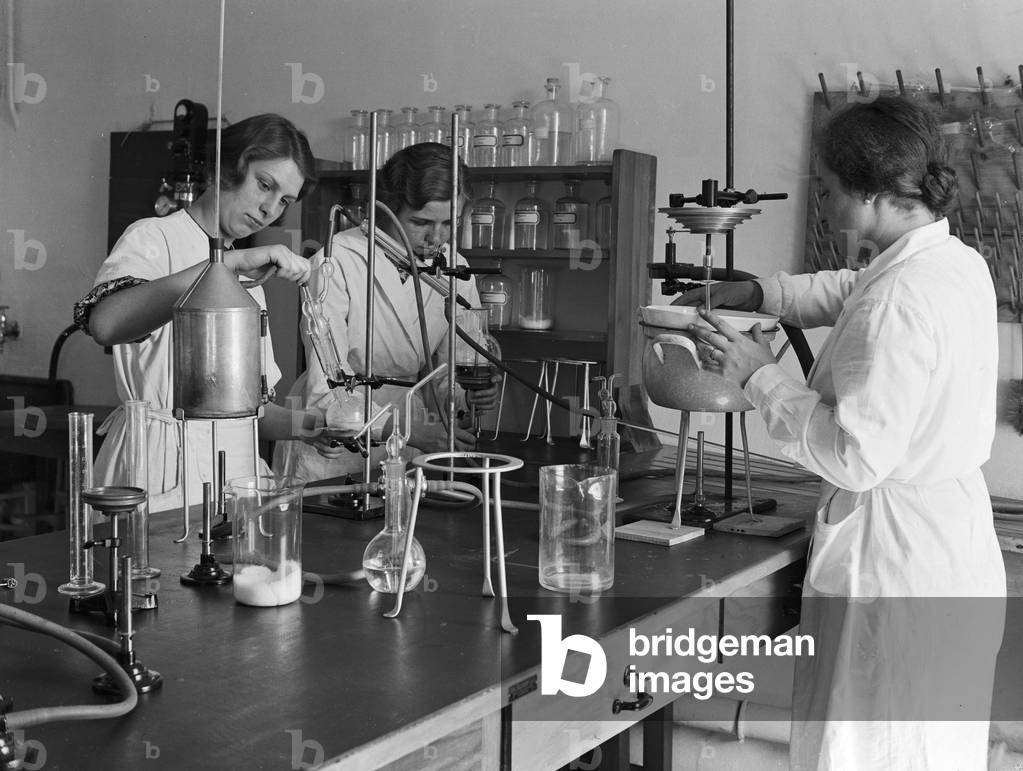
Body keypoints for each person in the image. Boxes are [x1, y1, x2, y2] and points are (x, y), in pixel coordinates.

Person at [679, 96, 1005, 769]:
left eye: (826, 187)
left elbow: (851, 456)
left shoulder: (897, 299)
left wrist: (756, 373)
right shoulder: (950, 263)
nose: (821, 201)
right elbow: (849, 288)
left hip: (891, 566)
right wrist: (760, 293)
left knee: (868, 751)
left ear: (874, 191)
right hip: (946, 547)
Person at [74, 113, 339, 512]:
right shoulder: (154, 238)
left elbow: (244, 410)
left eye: (284, 200)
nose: (270, 208)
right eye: (264, 185)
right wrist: (223, 268)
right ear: (224, 169)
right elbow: (105, 323)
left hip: (233, 478)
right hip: (156, 470)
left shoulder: (244, 270)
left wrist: (309, 425)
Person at [274, 142, 499, 482]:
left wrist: (468, 393)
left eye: (448, 223)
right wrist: (411, 431)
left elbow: (445, 372)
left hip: (410, 442)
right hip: (338, 443)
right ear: (388, 208)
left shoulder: (455, 267)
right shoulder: (338, 260)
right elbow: (326, 391)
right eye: (421, 222)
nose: (435, 238)